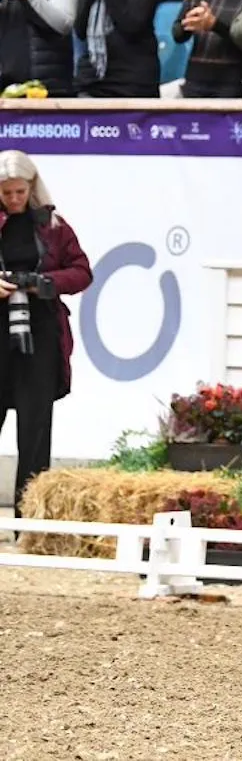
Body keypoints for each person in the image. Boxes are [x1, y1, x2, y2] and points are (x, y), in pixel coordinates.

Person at [0, 151, 92, 510]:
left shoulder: (54, 226)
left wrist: (46, 283)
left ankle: (29, 519)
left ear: (32, 186)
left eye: (20, 192)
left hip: (39, 334)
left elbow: (82, 271)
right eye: (6, 193)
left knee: (35, 429)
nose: (13, 199)